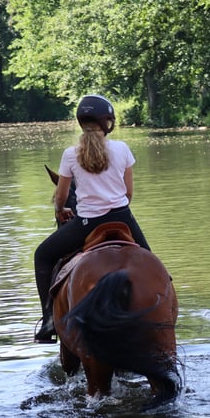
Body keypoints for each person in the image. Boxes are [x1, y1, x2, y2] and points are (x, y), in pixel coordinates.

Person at [33, 94, 151, 343]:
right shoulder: (122, 149)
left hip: (86, 225)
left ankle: (49, 320)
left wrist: (60, 211)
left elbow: (62, 195)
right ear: (107, 122)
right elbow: (128, 193)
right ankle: (163, 307)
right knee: (152, 263)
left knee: (42, 255)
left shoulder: (69, 154)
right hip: (123, 218)